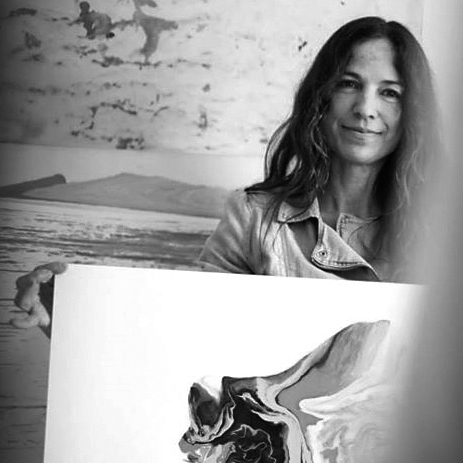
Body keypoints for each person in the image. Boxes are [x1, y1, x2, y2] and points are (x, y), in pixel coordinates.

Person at [11, 16, 440, 334]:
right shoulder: (254, 218)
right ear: (321, 97)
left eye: (390, 92)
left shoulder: (441, 236)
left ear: (413, 113)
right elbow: (189, 335)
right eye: (349, 83)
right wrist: (67, 316)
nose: (366, 108)